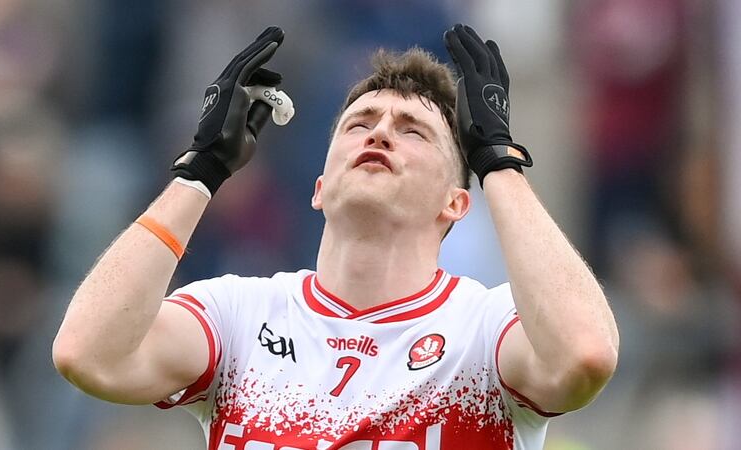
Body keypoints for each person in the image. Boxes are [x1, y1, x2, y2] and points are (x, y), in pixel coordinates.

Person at [53, 25, 619, 449]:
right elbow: (89, 355)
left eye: (413, 130)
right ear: (320, 188)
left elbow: (585, 357)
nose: (379, 134)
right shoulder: (238, 315)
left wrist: (498, 162)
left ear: (456, 203)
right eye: (359, 123)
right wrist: (199, 172)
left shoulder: (485, 329)